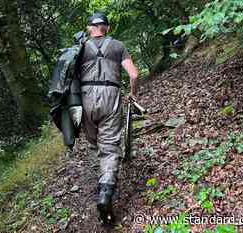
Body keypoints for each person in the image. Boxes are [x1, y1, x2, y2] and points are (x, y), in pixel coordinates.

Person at [80, 12, 139, 222]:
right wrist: (132, 94)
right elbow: (133, 75)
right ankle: (105, 191)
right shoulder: (117, 46)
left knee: (95, 143)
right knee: (110, 145)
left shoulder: (81, 47)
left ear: (90, 28)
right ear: (107, 27)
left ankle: (103, 173)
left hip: (85, 99)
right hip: (110, 96)